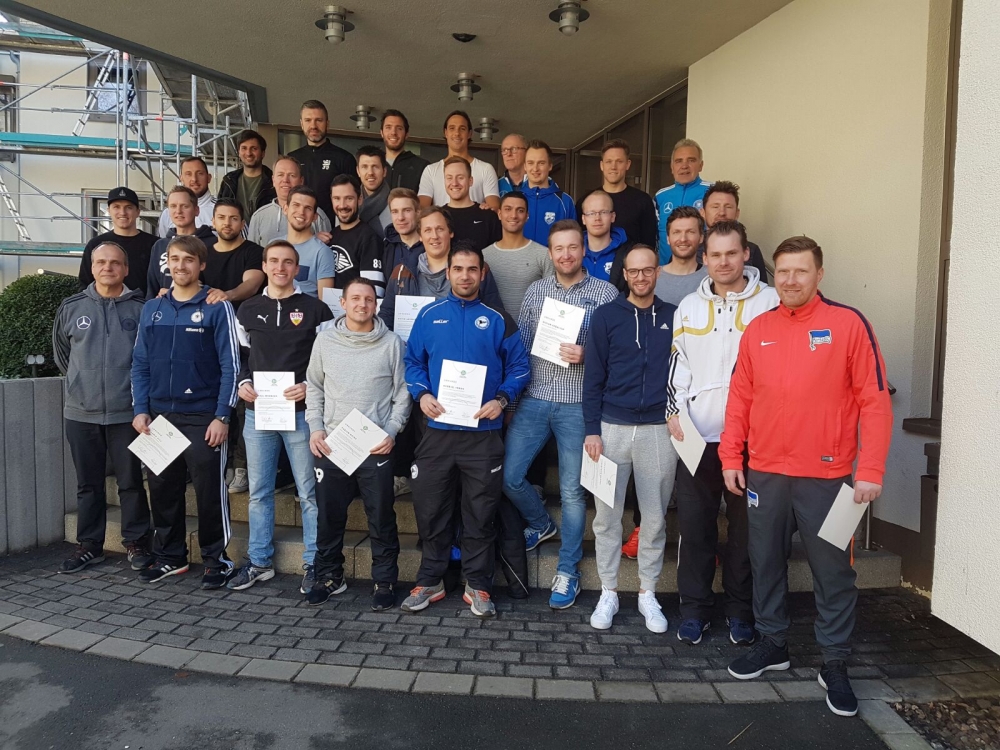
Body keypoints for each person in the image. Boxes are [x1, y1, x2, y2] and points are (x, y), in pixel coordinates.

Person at [720, 236, 892, 718]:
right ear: (773, 276)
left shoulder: (849, 324)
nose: (790, 280)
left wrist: (870, 469)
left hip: (830, 479)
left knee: (833, 572)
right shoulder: (759, 329)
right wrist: (732, 457)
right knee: (764, 562)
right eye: (783, 271)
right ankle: (773, 643)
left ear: (819, 274)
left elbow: (874, 401)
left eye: (801, 271)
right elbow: (740, 399)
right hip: (765, 475)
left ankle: (833, 661)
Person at [401, 244, 531, 618]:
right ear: (449, 273)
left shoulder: (499, 319)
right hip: (438, 431)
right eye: (458, 269)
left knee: (480, 512)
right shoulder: (429, 315)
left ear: (482, 273)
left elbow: (520, 367)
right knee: (431, 509)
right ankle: (431, 580)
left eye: (472, 269)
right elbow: (412, 362)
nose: (465, 276)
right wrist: (422, 393)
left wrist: (502, 400)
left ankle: (478, 584)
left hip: (483, 433)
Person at [666, 220, 778, 647]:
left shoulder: (771, 301)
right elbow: (678, 368)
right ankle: (694, 611)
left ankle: (739, 612)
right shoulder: (688, 307)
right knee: (695, 530)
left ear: (746, 254)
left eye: (732, 253)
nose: (724, 262)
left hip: (753, 441)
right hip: (699, 438)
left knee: (746, 535)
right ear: (704, 258)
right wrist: (675, 413)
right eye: (715, 255)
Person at [503, 220, 617, 609]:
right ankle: (541, 523)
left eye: (572, 247)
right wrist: (511, 402)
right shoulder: (536, 291)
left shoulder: (605, 293)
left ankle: (568, 571)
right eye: (559, 249)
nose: (566, 255)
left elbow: (616, 352)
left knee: (571, 491)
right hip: (535, 396)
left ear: (583, 250)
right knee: (509, 476)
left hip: (577, 403)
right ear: (550, 253)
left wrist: (589, 354)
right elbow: (522, 347)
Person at [131, 234, 240, 589]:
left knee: (209, 494)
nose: (181, 266)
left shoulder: (216, 307)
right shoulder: (153, 308)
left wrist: (222, 415)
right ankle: (170, 557)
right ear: (168, 264)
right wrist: (140, 409)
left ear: (201, 265)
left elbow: (231, 365)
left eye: (189, 260)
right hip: (159, 417)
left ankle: (216, 561)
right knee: (163, 491)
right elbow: (140, 363)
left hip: (203, 417)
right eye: (175, 259)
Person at [227, 240, 334, 594]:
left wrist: (309, 385)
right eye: (273, 261)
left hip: (302, 414)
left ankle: (314, 563)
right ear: (264, 265)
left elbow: (327, 360)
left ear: (296, 268)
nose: (280, 267)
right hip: (258, 413)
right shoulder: (247, 309)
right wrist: (243, 382)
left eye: (288, 262)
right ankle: (260, 562)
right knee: (259, 492)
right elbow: (239, 357)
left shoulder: (317, 310)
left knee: (309, 492)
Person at [582, 244, 677, 633]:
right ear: (624, 274)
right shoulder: (605, 317)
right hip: (610, 429)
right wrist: (591, 430)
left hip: (658, 431)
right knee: (606, 518)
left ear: (657, 272)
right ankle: (608, 591)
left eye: (647, 270)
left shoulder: (674, 316)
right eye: (633, 271)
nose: (640, 277)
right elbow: (593, 378)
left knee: (654, 518)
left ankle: (647, 593)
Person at [305, 278, 411, 610]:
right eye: (355, 298)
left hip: (375, 445)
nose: (362, 304)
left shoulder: (392, 343)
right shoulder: (325, 341)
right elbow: (314, 387)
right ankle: (329, 576)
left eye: (368, 299)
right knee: (329, 516)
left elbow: (403, 394)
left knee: (381, 516)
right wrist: (315, 428)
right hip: (333, 444)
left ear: (376, 305)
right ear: (344, 303)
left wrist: (391, 431)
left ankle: (385, 580)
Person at [54, 242, 152, 574]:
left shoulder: (142, 308)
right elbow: (62, 355)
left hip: (128, 414)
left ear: (126, 269)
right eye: (101, 262)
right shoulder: (72, 307)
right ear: (92, 268)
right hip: (81, 412)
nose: (107, 267)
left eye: (115, 263)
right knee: (88, 484)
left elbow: (150, 358)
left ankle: (137, 542)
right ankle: (90, 546)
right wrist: (82, 384)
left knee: (131, 483)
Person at [379, 207, 506, 331]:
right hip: (415, 344)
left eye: (440, 229)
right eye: (428, 230)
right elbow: (386, 316)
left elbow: (495, 315)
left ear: (450, 232)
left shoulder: (475, 270)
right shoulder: (402, 272)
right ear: (420, 236)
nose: (434, 236)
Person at [483, 191, 553, 320]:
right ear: (499, 214)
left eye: (520, 210)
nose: (514, 215)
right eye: (508, 209)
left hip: (532, 330)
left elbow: (552, 301)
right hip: (494, 329)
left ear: (527, 216)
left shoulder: (543, 255)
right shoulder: (484, 256)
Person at [576, 140, 657, 248]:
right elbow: (578, 241)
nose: (613, 167)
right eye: (608, 161)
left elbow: (648, 245)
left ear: (628, 164)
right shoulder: (587, 201)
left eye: (619, 161)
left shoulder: (643, 201)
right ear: (602, 165)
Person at [79, 187, 157, 296]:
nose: (122, 212)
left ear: (138, 212)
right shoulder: (96, 244)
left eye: (128, 207)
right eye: (116, 207)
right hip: (103, 305)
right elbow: (84, 283)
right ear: (109, 210)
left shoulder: (155, 245)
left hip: (145, 305)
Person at [288, 100, 356, 220]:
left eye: (319, 120)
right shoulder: (292, 159)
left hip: (333, 227)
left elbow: (353, 198)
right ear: (301, 124)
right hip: (298, 224)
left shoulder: (344, 158)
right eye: (308, 120)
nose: (313, 126)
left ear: (327, 124)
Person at [418, 111, 500, 210]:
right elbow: (422, 210)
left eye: (462, 129)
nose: (457, 133)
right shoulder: (430, 171)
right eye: (452, 128)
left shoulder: (486, 169)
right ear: (446, 132)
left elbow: (494, 209)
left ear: (469, 134)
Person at [147, 185, 217, 298]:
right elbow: (152, 288)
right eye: (173, 206)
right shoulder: (160, 245)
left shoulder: (214, 244)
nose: (178, 211)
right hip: (165, 307)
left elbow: (218, 285)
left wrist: (175, 293)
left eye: (185, 206)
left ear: (196, 210)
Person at [246, 156, 332, 247]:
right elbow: (251, 253)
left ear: (301, 181)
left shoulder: (317, 215)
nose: (285, 180)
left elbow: (327, 249)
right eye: (280, 175)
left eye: (292, 175)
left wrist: (313, 240)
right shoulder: (259, 217)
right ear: (273, 180)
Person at [654, 139, 711, 263]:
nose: (684, 166)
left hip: (703, 269)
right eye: (679, 161)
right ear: (672, 167)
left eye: (691, 160)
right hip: (665, 269)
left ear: (701, 165)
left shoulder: (713, 192)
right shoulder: (660, 196)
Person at [327, 174, 384, 296]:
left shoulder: (369, 238)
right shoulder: (330, 236)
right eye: (337, 198)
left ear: (360, 199)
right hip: (330, 306)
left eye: (349, 198)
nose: (342, 205)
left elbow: (375, 292)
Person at [700, 181, 769, 281]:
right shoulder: (691, 250)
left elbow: (761, 286)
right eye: (715, 207)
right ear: (702, 212)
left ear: (737, 213)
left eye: (728, 207)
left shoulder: (752, 250)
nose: (722, 213)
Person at [203, 200, 265, 311]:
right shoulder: (203, 253)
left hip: (245, 316)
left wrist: (228, 295)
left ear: (242, 224)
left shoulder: (255, 252)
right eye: (221, 217)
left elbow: (252, 284)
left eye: (234, 218)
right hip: (210, 316)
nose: (227, 223)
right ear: (213, 222)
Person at [281, 186, 336, 298]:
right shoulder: (273, 246)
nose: (301, 212)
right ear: (285, 209)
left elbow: (325, 302)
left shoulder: (322, 252)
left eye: (308, 208)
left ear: (315, 217)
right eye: (296, 205)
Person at [521, 140, 575, 246]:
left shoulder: (565, 202)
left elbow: (572, 241)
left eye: (541, 163)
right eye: (530, 163)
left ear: (550, 166)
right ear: (525, 166)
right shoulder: (514, 200)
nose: (535, 168)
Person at [443, 156, 501, 251]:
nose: (454, 183)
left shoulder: (488, 216)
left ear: (470, 181)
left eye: (460, 177)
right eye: (449, 178)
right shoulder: (438, 216)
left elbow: (497, 254)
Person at [653, 206, 708, 306]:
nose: (683, 239)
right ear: (668, 238)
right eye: (677, 232)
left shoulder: (711, 278)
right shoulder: (652, 278)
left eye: (690, 232)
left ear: (701, 237)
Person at [217, 130, 276, 223]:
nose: (248, 153)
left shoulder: (274, 182)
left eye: (254, 148)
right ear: (239, 152)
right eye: (244, 148)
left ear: (263, 153)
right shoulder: (228, 181)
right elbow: (219, 211)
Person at [580, 190, 631, 285]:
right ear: (583, 219)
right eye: (591, 213)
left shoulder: (628, 255)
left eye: (603, 212)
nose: (597, 218)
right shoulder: (573, 252)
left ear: (612, 217)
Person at [157, 157, 215, 238]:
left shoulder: (220, 210)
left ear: (209, 178)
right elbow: (164, 243)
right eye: (188, 174)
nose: (194, 179)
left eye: (199, 173)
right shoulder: (167, 213)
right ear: (181, 178)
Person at [381, 109, 428, 192]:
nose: (393, 132)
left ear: (406, 134)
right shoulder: (373, 165)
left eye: (399, 128)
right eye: (388, 127)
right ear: (381, 133)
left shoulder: (422, 167)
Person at [383, 187, 424, 274]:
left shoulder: (431, 244)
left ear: (418, 212)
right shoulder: (384, 248)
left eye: (407, 210)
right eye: (395, 212)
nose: (400, 217)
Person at [356, 145, 392, 240]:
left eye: (375, 167)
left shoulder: (396, 204)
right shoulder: (349, 204)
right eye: (364, 167)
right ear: (358, 171)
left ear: (384, 171)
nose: (370, 172)